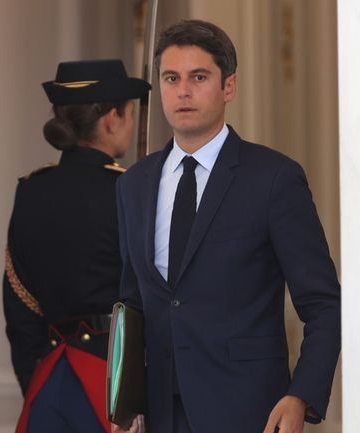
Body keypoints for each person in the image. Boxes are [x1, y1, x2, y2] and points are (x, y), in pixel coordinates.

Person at [113, 19, 341, 433]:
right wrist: (127, 404)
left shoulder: (273, 179)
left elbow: (324, 303)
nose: (183, 90)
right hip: (159, 413)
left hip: (249, 409)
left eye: (198, 77)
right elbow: (133, 305)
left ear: (228, 87)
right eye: (171, 78)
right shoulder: (133, 184)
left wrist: (301, 394)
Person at [3, 59, 150, 433]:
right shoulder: (129, 190)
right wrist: (138, 398)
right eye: (129, 113)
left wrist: (37, 381)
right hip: (113, 390)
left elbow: (20, 310)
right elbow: (152, 303)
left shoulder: (31, 190)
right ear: (111, 118)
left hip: (48, 384)